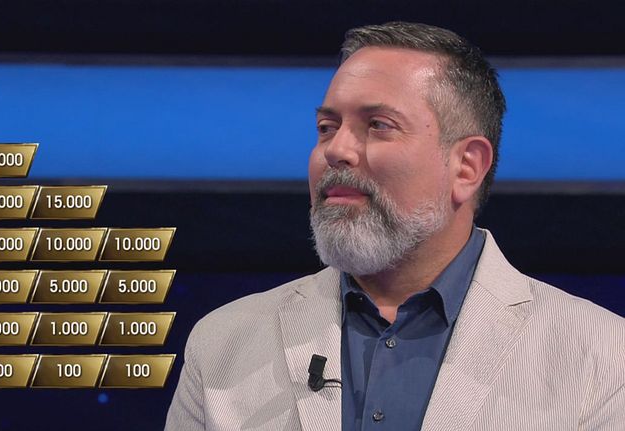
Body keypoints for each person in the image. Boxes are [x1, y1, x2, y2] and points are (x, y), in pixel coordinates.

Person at [165, 22, 625, 431]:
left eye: (378, 125)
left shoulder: (603, 355)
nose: (335, 150)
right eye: (327, 127)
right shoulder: (223, 343)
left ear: (466, 166)